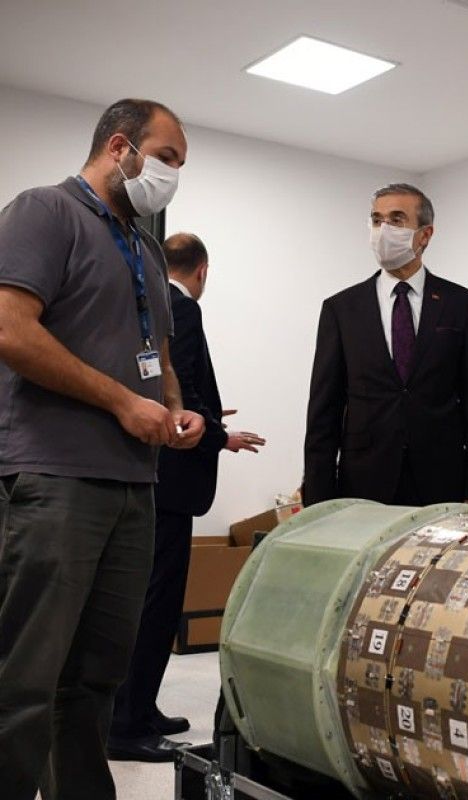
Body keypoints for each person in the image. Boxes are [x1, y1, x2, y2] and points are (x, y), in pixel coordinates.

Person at [0, 98, 204, 800]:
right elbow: (11, 331)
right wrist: (121, 402)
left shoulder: (146, 247)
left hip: (133, 486)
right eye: (166, 157)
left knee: (93, 682)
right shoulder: (44, 211)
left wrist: (174, 411)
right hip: (54, 478)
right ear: (121, 147)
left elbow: (160, 357)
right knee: (23, 680)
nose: (172, 174)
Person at [108, 233, 265, 760]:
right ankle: (127, 724)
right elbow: (185, 395)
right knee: (158, 603)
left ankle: (140, 707)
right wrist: (222, 435)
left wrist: (211, 419)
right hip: (173, 480)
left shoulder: (148, 306)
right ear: (202, 270)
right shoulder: (183, 309)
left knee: (147, 599)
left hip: (151, 473)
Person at [304, 183, 468, 509]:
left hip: (442, 482)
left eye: (396, 220)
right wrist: (318, 502)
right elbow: (324, 412)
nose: (383, 230)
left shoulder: (460, 304)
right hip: (363, 484)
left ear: (425, 235)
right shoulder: (342, 309)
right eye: (376, 220)